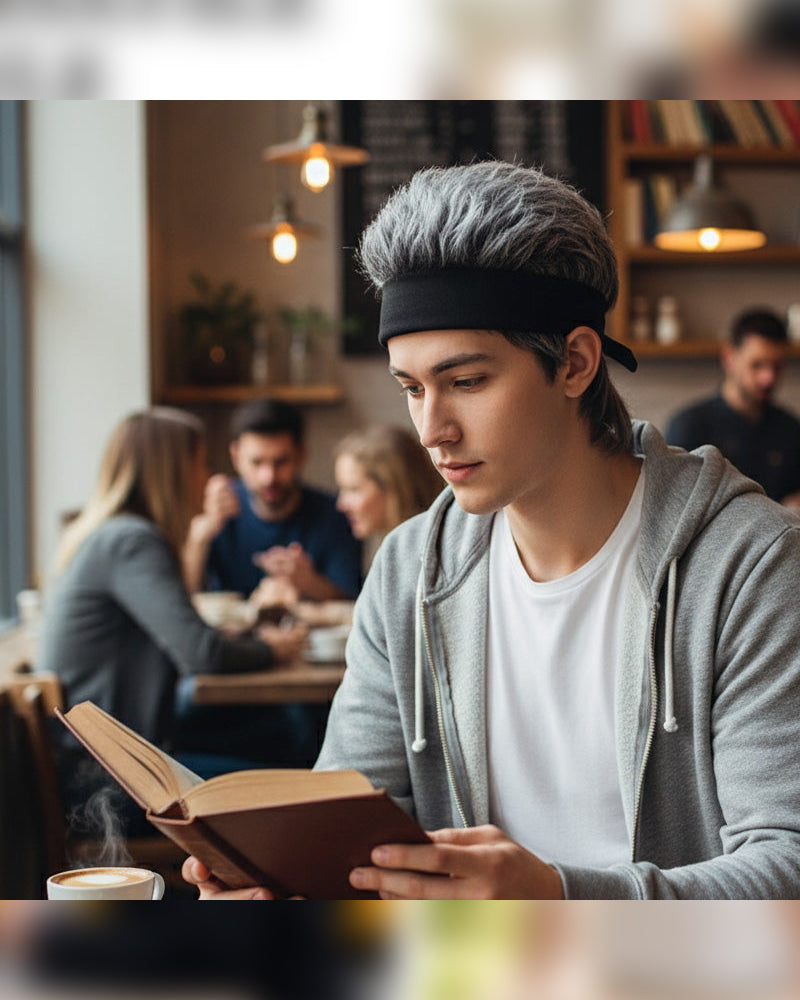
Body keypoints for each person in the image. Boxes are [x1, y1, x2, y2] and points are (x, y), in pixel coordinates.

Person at [184, 161, 800, 900]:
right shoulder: (411, 569)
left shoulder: (749, 564)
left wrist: (557, 899)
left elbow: (786, 867)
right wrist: (292, 884)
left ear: (574, 362)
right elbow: (352, 839)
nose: (431, 430)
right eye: (411, 388)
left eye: (466, 381)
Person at [38, 408, 307, 833]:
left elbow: (187, 635)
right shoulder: (132, 541)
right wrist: (272, 648)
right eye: (200, 462)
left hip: (113, 767)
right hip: (111, 786)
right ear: (175, 470)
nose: (208, 476)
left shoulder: (114, 534)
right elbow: (203, 654)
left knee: (289, 736)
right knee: (297, 788)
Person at [183, 398, 362, 602]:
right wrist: (200, 538)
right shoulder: (215, 508)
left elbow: (353, 604)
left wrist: (310, 583)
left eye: (280, 462)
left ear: (301, 455)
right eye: (256, 462)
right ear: (236, 457)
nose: (268, 477)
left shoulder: (336, 514)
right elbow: (183, 600)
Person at [664, 308, 800, 506]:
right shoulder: (690, 426)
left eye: (777, 366)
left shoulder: (791, 429)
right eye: (757, 365)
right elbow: (674, 511)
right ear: (729, 357)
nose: (768, 378)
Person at [334, 423, 443, 568]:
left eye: (354, 490)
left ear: (395, 488)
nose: (341, 505)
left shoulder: (422, 561)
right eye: (342, 489)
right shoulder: (390, 553)